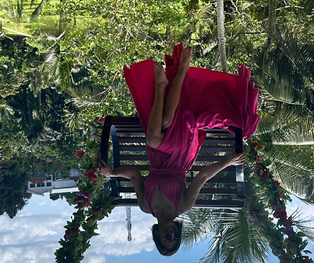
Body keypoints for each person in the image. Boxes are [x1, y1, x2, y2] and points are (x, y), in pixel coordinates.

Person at [98, 43, 260, 256]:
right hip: (182, 154)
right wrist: (227, 162)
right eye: (176, 238)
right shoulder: (182, 206)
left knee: (164, 123)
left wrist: (113, 173)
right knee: (156, 136)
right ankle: (168, 80)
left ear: (157, 236)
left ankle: (171, 78)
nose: (172, 235)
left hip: (157, 157)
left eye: (167, 239)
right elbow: (202, 177)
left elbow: (135, 175)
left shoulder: (146, 206)